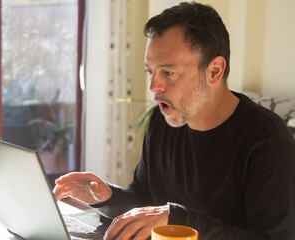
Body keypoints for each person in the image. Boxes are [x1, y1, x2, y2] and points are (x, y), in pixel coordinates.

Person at [54, 2, 295, 239]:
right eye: (150, 71)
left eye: (169, 72)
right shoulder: (164, 119)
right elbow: (145, 202)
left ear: (214, 71)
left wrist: (179, 220)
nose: (154, 87)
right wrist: (107, 197)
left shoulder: (269, 142)